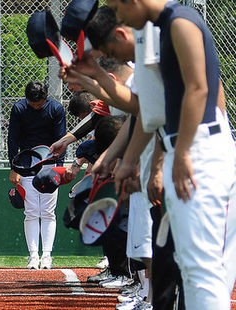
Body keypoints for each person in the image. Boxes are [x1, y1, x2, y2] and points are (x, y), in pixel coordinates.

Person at [107, 1, 236, 309]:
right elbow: (154, 110)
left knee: (200, 273)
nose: (120, 18)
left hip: (198, 148)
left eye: (118, 8)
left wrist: (181, 154)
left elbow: (199, 89)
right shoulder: (167, 24)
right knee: (204, 273)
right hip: (197, 145)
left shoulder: (179, 21)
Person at [7, 81, 66, 269]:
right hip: (25, 163)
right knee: (31, 212)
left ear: (45, 98)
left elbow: (62, 139)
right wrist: (14, 167)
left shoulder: (56, 109)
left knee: (48, 212)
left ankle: (47, 256)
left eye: (39, 103)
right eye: (32, 103)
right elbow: (12, 138)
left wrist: (59, 168)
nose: (36, 106)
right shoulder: (19, 108)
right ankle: (33, 256)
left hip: (49, 163)